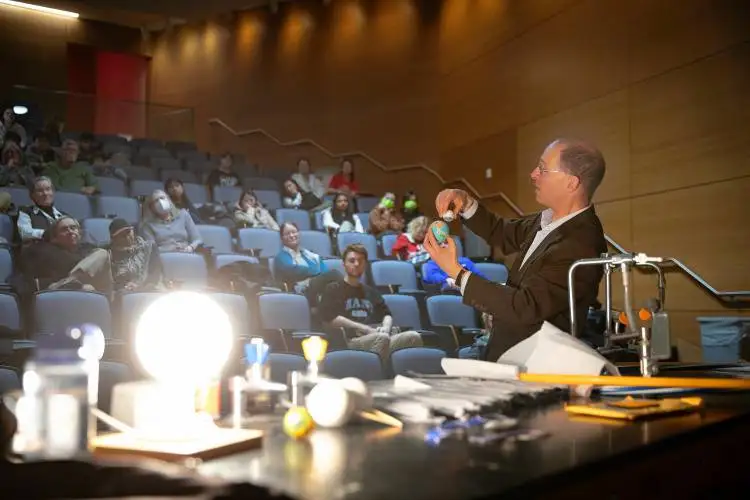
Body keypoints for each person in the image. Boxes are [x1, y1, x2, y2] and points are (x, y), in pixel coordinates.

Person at [425, 139, 607, 361]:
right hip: (512, 354)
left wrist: (457, 272)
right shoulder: (551, 221)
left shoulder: (580, 241)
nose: (533, 174)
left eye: (543, 169)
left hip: (534, 365)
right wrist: (466, 202)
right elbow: (500, 232)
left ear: (571, 183)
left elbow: (525, 306)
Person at [319, 243, 422, 360]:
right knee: (382, 339)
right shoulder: (333, 288)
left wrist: (386, 327)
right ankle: (377, 374)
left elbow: (386, 314)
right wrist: (365, 329)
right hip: (351, 340)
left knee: (413, 337)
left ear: (365, 265)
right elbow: (329, 319)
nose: (356, 264)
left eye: (360, 261)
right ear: (344, 264)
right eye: (352, 261)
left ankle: (399, 374)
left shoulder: (371, 292)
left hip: (378, 337)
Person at [21, 216, 110, 292]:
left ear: (79, 233)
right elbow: (33, 281)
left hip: (88, 288)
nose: (70, 231)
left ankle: (71, 280)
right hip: (54, 290)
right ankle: (71, 280)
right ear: (54, 239)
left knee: (102, 255)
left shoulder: (88, 250)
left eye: (73, 228)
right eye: (64, 229)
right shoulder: (45, 252)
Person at [273, 222, 341, 301]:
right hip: (299, 291)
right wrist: (315, 270)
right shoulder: (281, 257)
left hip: (316, 287)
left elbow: (324, 270)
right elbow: (295, 270)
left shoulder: (308, 255)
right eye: (287, 234)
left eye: (294, 232)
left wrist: (315, 271)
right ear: (282, 238)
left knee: (333, 286)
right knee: (334, 274)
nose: (291, 236)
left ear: (298, 234)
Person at [109, 218, 165, 292]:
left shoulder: (149, 247)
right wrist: (125, 285)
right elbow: (112, 280)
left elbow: (155, 273)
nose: (127, 237)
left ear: (133, 231)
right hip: (125, 291)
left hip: (149, 288)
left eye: (128, 232)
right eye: (122, 235)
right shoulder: (110, 255)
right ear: (114, 239)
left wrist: (141, 286)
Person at [17, 176, 68, 242]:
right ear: (32, 195)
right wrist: (48, 233)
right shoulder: (26, 212)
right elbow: (25, 233)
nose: (45, 193)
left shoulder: (63, 216)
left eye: (48, 189)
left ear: (53, 192)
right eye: (40, 191)